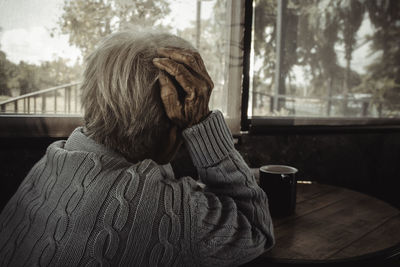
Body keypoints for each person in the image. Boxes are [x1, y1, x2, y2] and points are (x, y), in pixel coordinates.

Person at [0, 30, 274, 266]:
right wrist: (202, 123)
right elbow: (256, 227)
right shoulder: (168, 210)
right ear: (173, 129)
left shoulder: (50, 163)